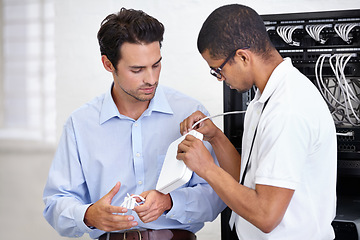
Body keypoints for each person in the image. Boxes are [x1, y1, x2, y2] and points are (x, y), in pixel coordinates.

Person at [43, 8, 225, 240]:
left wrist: (170, 202)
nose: (151, 79)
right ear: (108, 64)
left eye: (156, 65)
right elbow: (55, 203)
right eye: (137, 70)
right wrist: (88, 215)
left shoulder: (190, 113)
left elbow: (217, 194)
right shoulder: (80, 124)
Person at [177, 4, 337, 240]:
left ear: (242, 57)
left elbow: (266, 216)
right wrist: (216, 137)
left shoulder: (287, 110)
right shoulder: (264, 99)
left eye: (218, 70)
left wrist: (206, 167)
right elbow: (248, 182)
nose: (221, 79)